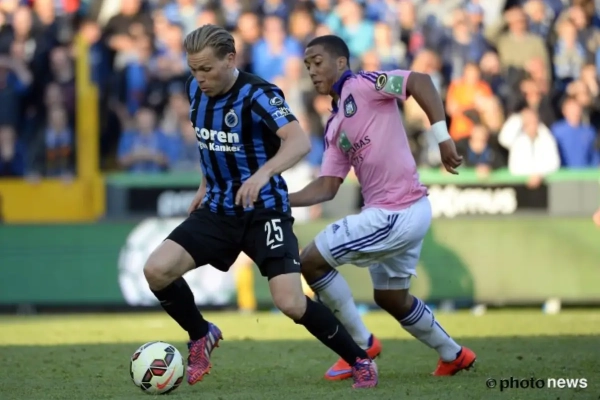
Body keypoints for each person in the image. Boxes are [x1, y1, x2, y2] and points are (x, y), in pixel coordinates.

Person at [142, 25, 378, 389]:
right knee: (156, 270)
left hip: (264, 211)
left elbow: (298, 142)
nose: (199, 77)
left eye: (206, 69)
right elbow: (210, 143)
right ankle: (201, 334)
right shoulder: (194, 90)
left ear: (230, 59)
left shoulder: (259, 95)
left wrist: (263, 174)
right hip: (219, 210)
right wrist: (204, 185)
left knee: (291, 302)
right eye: (194, 69)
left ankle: (360, 360)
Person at [290, 35, 476, 381]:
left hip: (396, 212)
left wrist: (442, 137)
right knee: (391, 298)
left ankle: (360, 347)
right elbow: (327, 186)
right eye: (307, 66)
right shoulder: (335, 126)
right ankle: (453, 354)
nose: (312, 71)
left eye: (317, 62)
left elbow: (420, 81)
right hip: (404, 211)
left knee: (310, 261)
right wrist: (282, 200)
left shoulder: (364, 85)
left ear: (341, 63)